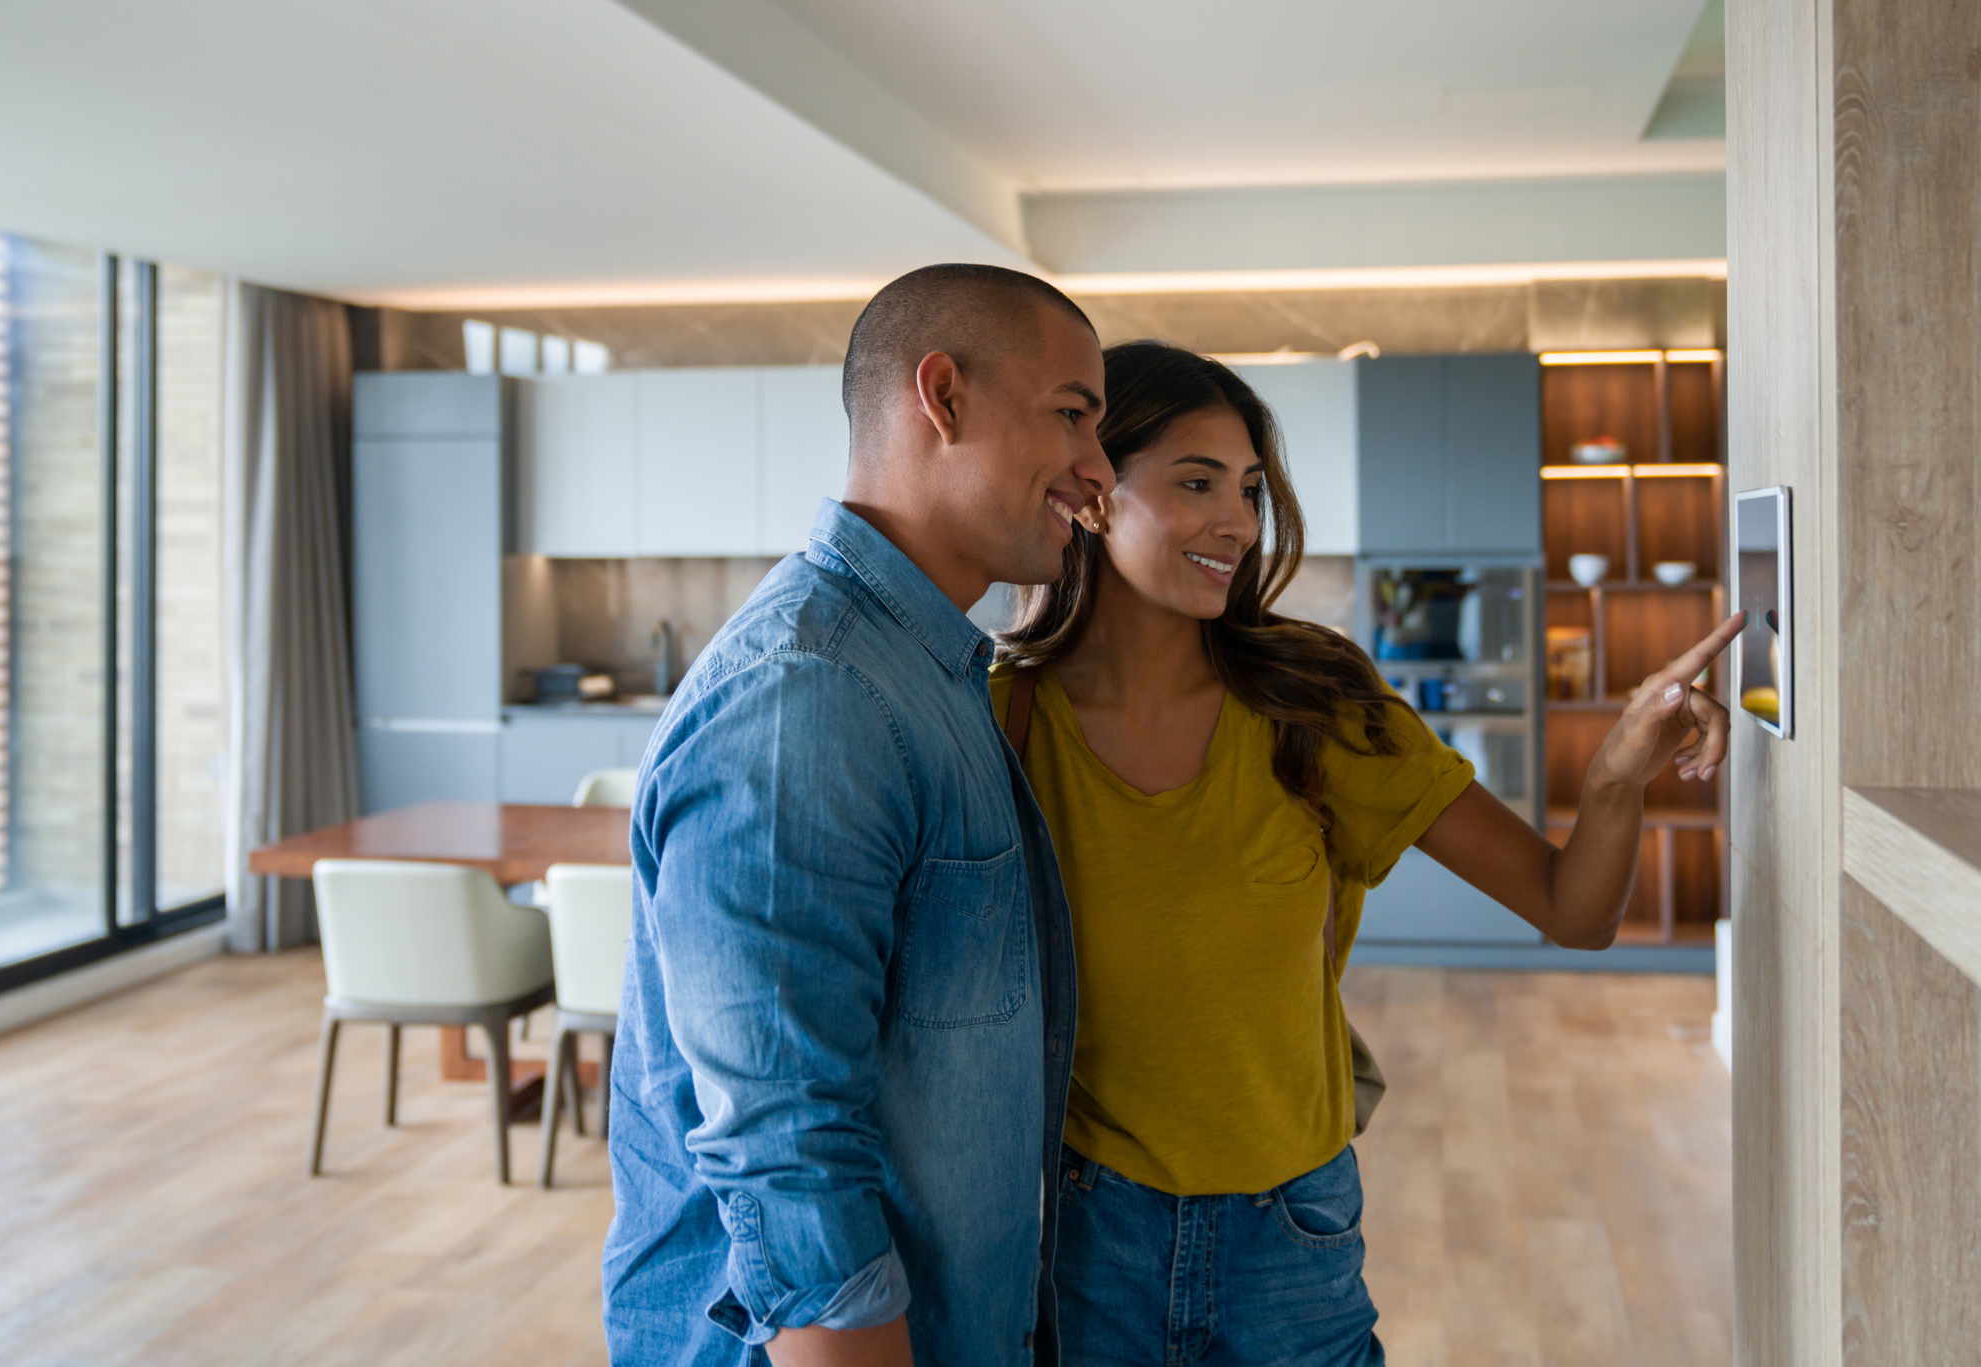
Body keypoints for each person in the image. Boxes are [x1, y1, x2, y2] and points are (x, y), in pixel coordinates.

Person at [989, 340, 1745, 1366]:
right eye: (1195, 481)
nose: (1235, 521)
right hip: (1085, 1233)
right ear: (1093, 493)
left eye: (1249, 488)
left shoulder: (1311, 698)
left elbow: (1574, 910)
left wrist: (1613, 770)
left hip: (1288, 1234)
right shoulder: (1004, 718)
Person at [603, 264, 1114, 1367]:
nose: (1097, 468)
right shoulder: (810, 695)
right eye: (1072, 414)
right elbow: (786, 1157)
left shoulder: (916, 666)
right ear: (943, 397)